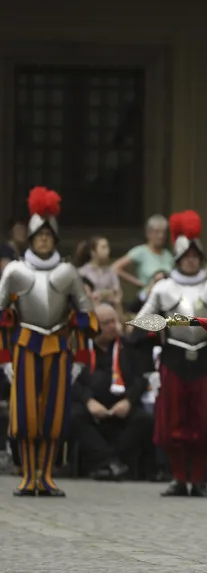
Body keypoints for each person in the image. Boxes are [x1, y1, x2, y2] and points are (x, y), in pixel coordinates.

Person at [0, 187, 98, 496]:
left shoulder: (68, 272)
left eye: (48, 235)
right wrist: (4, 359)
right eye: (38, 235)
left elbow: (86, 315)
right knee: (27, 415)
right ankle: (29, 476)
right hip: (26, 346)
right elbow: (1, 316)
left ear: (55, 238)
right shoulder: (14, 271)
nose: (43, 240)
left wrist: (80, 357)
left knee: (54, 416)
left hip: (58, 346)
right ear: (30, 239)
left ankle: (47, 476)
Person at [134, 210, 207, 498]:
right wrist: (157, 327)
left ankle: (200, 479)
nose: (191, 260)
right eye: (186, 256)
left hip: (206, 360)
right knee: (174, 422)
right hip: (174, 360)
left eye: (195, 256)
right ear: (178, 259)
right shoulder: (163, 287)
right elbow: (140, 322)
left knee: (206, 422)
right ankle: (179, 478)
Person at [69, 303, 154, 480]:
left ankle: (106, 463)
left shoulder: (129, 347)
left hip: (121, 403)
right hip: (90, 404)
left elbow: (140, 379)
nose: (113, 326)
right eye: (106, 323)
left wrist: (128, 401)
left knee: (144, 419)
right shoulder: (80, 347)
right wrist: (88, 401)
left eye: (114, 321)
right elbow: (72, 380)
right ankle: (111, 462)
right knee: (73, 417)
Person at [112, 214, 174, 289]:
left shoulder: (168, 255)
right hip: (147, 293)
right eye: (157, 232)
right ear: (148, 233)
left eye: (163, 232)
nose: (161, 236)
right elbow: (115, 268)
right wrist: (137, 282)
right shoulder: (140, 252)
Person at [78, 235, 124, 311]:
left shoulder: (111, 272)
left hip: (110, 311)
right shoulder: (82, 272)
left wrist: (104, 293)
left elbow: (118, 295)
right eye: (103, 247)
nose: (107, 251)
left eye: (108, 247)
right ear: (93, 252)